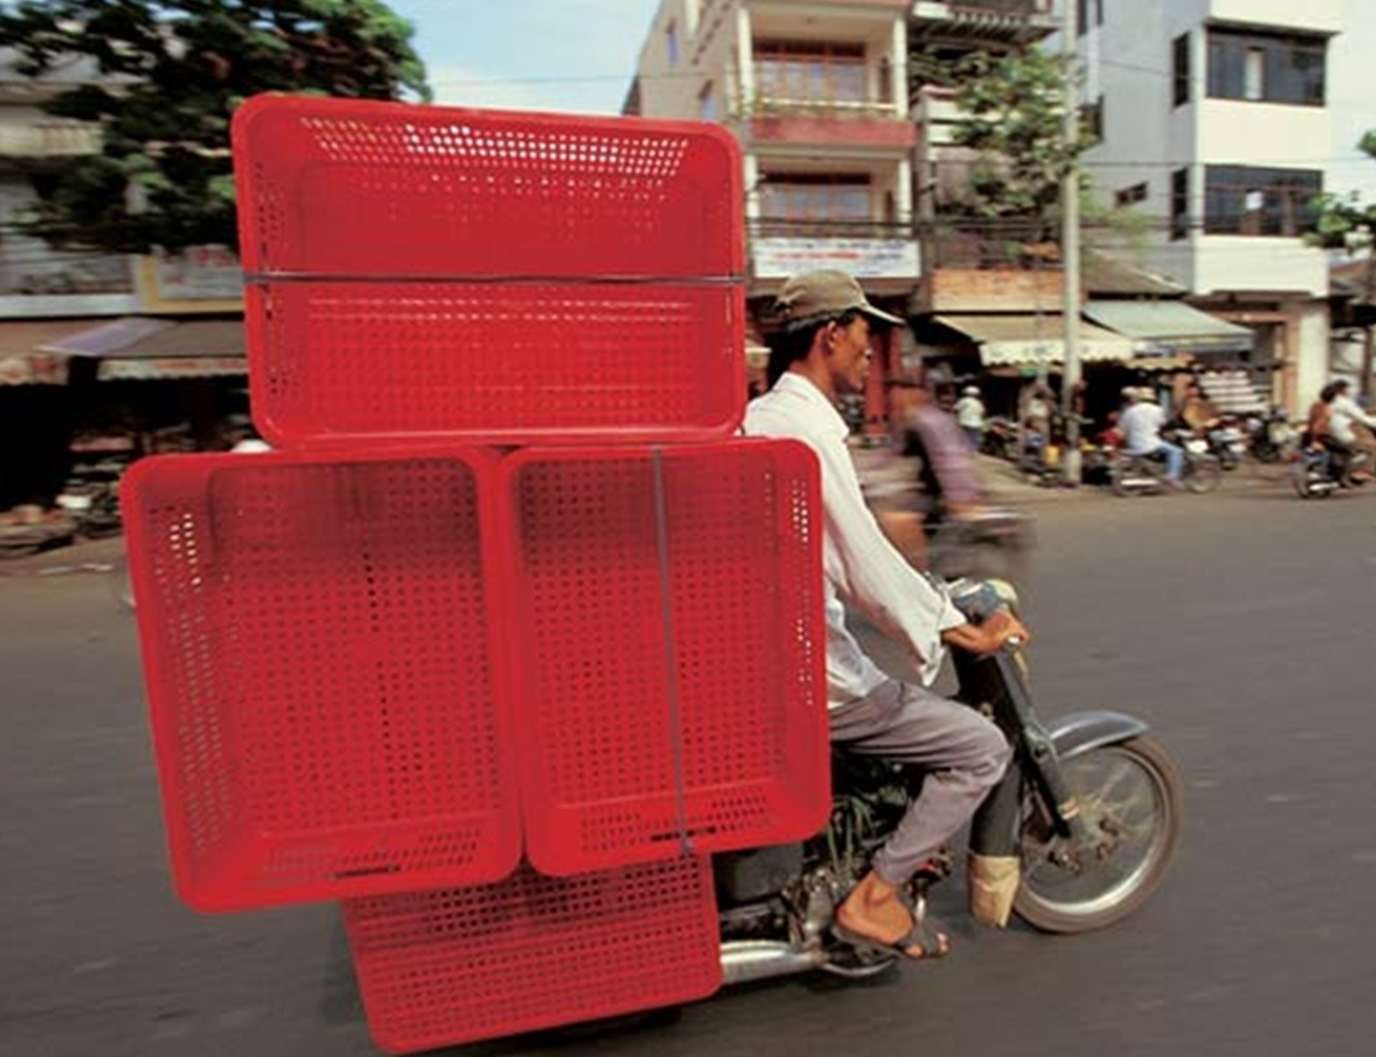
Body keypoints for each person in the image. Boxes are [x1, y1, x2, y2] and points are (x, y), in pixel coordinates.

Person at [747, 269, 1025, 961]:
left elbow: (851, 552)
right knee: (980, 747)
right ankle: (873, 896)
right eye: (865, 332)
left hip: (760, 661)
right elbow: (861, 557)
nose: (871, 350)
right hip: (814, 678)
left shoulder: (762, 417)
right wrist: (959, 628)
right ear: (832, 333)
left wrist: (921, 602)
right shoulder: (805, 430)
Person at [1119, 386, 1183, 483]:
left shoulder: (1130, 410)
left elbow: (1122, 427)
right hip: (1150, 443)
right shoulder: (1157, 410)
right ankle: (1172, 476)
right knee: (1176, 451)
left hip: (1133, 444)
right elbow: (1162, 424)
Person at [954, 385, 986, 449]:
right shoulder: (978, 402)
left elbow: (956, 408)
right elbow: (982, 412)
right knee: (974, 437)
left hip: (965, 422)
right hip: (977, 423)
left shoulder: (964, 400)